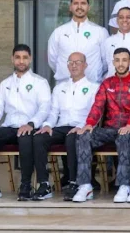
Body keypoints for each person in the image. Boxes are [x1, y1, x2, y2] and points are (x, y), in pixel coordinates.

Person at [0, 44, 51, 201]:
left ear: (30, 59)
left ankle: (25, 185)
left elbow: (45, 109)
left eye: (24, 57)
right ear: (12, 59)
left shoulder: (40, 82)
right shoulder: (5, 84)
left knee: (25, 138)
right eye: (17, 57)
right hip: (9, 127)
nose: (21, 61)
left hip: (29, 127)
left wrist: (31, 124)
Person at [72, 48, 130, 203]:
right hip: (109, 129)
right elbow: (98, 105)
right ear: (113, 62)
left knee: (124, 137)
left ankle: (124, 185)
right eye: (117, 60)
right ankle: (85, 185)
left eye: (124, 60)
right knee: (84, 136)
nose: (121, 63)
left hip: (128, 129)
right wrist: (89, 123)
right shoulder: (107, 83)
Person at [33, 52, 99, 201]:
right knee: (38, 138)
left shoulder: (93, 87)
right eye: (71, 62)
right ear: (67, 66)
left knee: (72, 138)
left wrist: (82, 126)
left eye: (78, 62)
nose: (74, 65)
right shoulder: (59, 88)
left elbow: (94, 113)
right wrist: (47, 125)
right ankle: (44, 184)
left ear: (85, 65)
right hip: (61, 126)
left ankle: (74, 183)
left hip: (82, 127)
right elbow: (53, 112)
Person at [47, 0, 109, 84]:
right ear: (70, 7)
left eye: (83, 3)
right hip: (64, 85)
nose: (79, 7)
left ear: (88, 7)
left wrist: (95, 75)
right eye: (76, 3)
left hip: (92, 85)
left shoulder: (100, 32)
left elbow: (106, 61)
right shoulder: (58, 32)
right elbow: (52, 60)